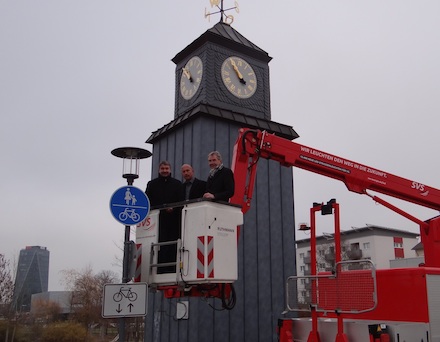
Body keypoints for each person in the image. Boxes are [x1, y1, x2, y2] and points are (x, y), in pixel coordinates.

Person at [145, 161, 183, 273]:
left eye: (167, 168)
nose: (165, 171)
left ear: (170, 170)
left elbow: (181, 202)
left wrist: (174, 208)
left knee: (172, 246)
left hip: (174, 222)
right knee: (158, 246)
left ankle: (172, 269)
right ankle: (160, 270)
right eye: (163, 168)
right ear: (159, 170)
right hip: (157, 222)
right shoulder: (151, 184)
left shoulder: (177, 184)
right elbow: (147, 201)